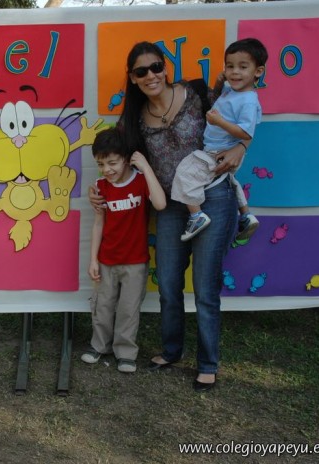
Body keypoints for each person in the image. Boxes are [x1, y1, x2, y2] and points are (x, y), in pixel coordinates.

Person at [90, 41, 249, 391]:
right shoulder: (132, 120)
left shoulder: (196, 94)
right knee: (168, 283)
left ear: (165, 68)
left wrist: (242, 146)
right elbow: (113, 161)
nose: (151, 75)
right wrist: (98, 190)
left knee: (205, 286)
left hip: (212, 197)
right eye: (141, 71)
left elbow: (241, 115)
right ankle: (172, 351)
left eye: (156, 67)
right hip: (171, 207)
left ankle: (207, 363)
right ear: (133, 78)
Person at [81, 127, 166, 373]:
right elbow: (98, 223)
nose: (107, 170)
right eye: (100, 164)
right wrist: (93, 259)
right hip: (106, 260)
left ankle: (126, 352)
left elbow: (160, 204)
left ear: (127, 159)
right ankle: (99, 345)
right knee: (103, 306)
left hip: (135, 262)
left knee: (129, 310)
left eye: (112, 163)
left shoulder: (140, 181)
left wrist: (146, 167)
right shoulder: (100, 186)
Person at [172, 38, 267, 242]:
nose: (234, 72)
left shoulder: (249, 101)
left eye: (243, 67)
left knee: (184, 173)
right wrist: (217, 84)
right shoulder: (234, 92)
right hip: (217, 148)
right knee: (228, 179)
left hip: (220, 151)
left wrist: (219, 122)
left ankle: (196, 215)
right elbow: (219, 100)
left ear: (258, 71)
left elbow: (246, 133)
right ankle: (246, 215)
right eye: (230, 66)